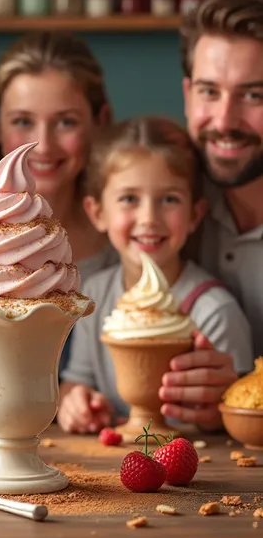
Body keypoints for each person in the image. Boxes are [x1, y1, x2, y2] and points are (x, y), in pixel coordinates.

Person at [58, 116, 253, 434]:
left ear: (195, 214)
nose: (149, 218)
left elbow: (243, 412)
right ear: (97, 212)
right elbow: (75, 382)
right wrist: (77, 403)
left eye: (169, 199)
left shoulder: (214, 312)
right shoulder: (92, 296)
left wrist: (217, 411)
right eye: (129, 199)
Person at [0, 31, 118, 371]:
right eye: (23, 121)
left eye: (66, 122)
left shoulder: (125, 240)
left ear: (98, 122)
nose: (42, 144)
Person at [159, 0, 263, 429]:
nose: (224, 121)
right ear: (186, 94)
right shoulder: (171, 204)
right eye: (209, 91)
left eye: (254, 94)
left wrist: (240, 392)